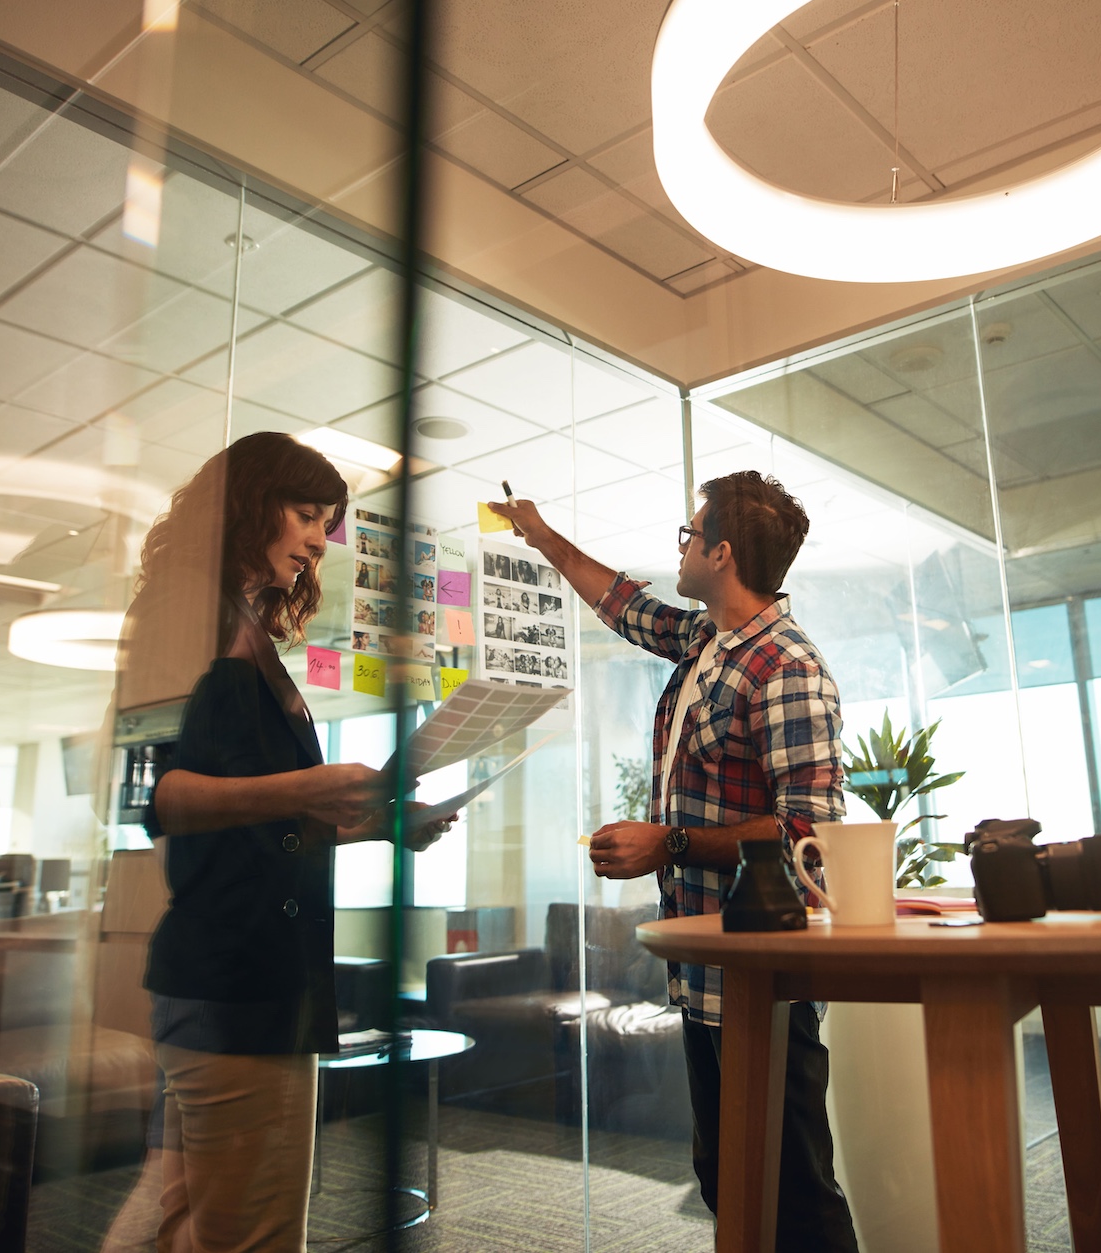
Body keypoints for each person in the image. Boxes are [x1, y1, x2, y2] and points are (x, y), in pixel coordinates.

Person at [486, 471, 858, 1253]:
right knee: (730, 1181)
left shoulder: (786, 666)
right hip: (703, 972)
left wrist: (672, 842)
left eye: (690, 536)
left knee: (798, 1196)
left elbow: (812, 834)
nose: (681, 549)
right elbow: (621, 602)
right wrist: (540, 532)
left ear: (722, 553)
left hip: (762, 979)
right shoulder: (705, 643)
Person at [125, 432, 454, 1253]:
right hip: (239, 984)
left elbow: (260, 829)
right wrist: (309, 787)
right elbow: (153, 797)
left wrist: (378, 823)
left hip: (233, 975)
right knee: (256, 1235)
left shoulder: (240, 628)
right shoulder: (190, 617)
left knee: (193, 1228)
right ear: (246, 505)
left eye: (326, 521)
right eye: (305, 514)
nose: (318, 539)